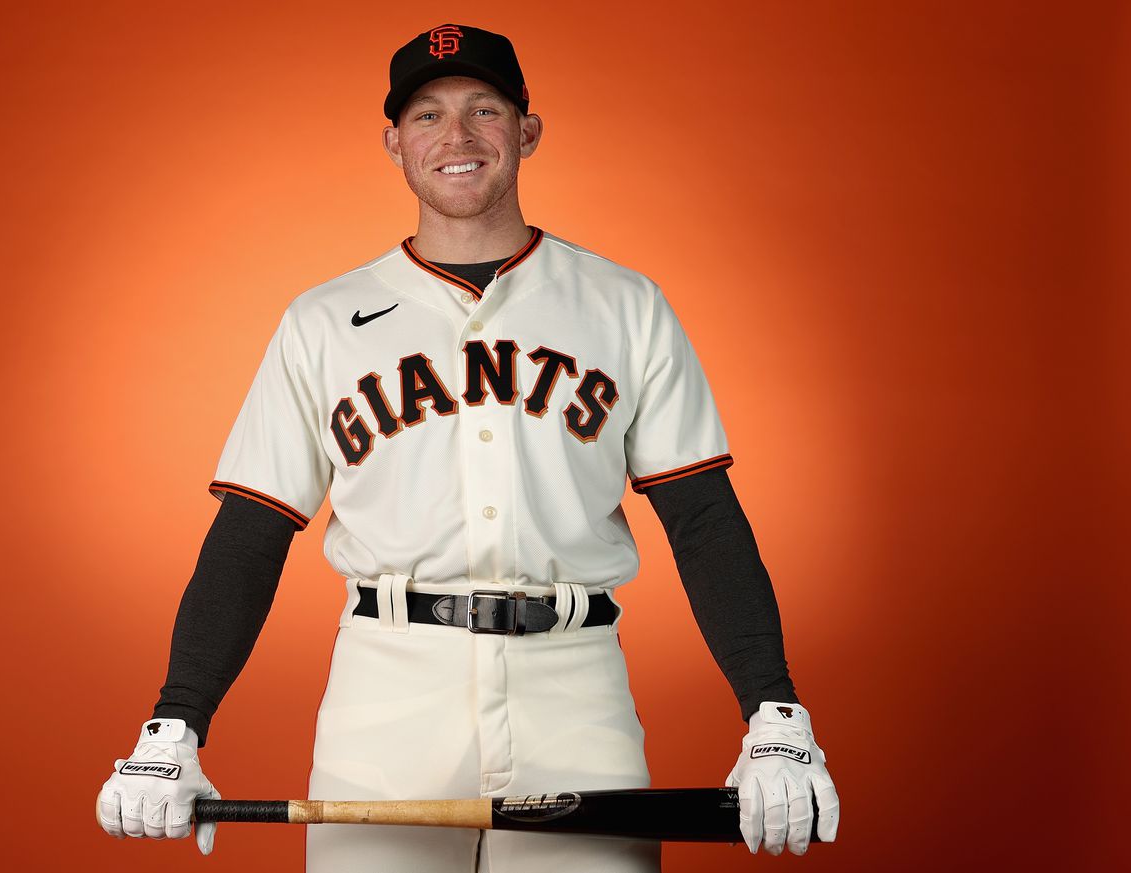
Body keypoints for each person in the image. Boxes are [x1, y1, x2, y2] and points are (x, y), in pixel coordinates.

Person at [97, 23, 839, 871]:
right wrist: (175, 719)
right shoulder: (320, 321)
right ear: (394, 143)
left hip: (577, 692)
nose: (457, 137)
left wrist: (773, 709)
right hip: (387, 697)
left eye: (485, 109)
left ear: (527, 132)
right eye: (427, 116)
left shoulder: (626, 305)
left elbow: (703, 519)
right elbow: (251, 534)